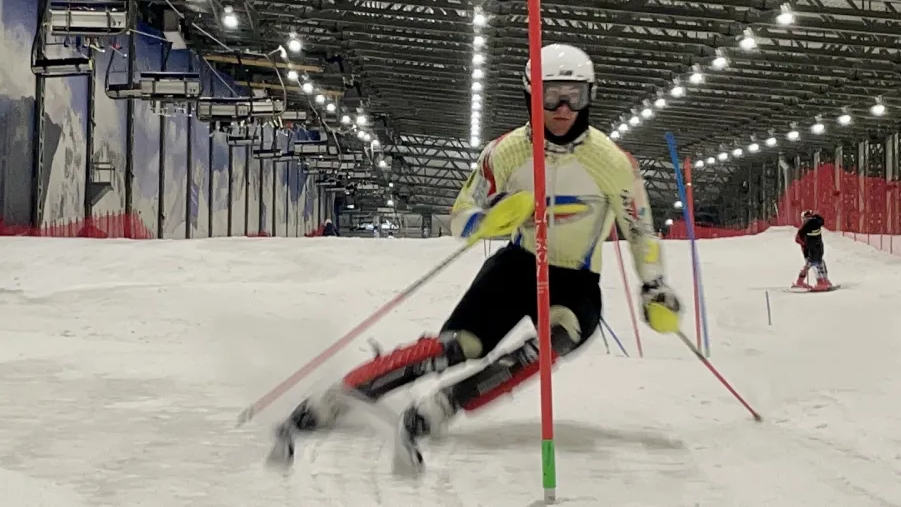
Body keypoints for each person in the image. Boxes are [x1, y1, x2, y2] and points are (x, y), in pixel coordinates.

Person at [269, 43, 682, 467]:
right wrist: (496, 216)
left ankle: (447, 404)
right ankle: (341, 396)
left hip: (574, 282)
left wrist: (653, 283)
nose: (563, 108)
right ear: (530, 96)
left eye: (574, 96)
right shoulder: (505, 153)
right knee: (456, 347)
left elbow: (640, 230)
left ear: (589, 97)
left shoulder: (612, 163)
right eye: (550, 95)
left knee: (550, 343)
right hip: (516, 268)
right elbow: (461, 217)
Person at [794, 209, 832, 290]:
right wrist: (805, 245)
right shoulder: (805, 227)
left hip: (816, 248)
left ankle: (823, 280)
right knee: (814, 264)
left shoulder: (814, 223)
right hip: (809, 250)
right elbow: (798, 238)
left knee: (815, 263)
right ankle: (820, 281)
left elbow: (821, 221)